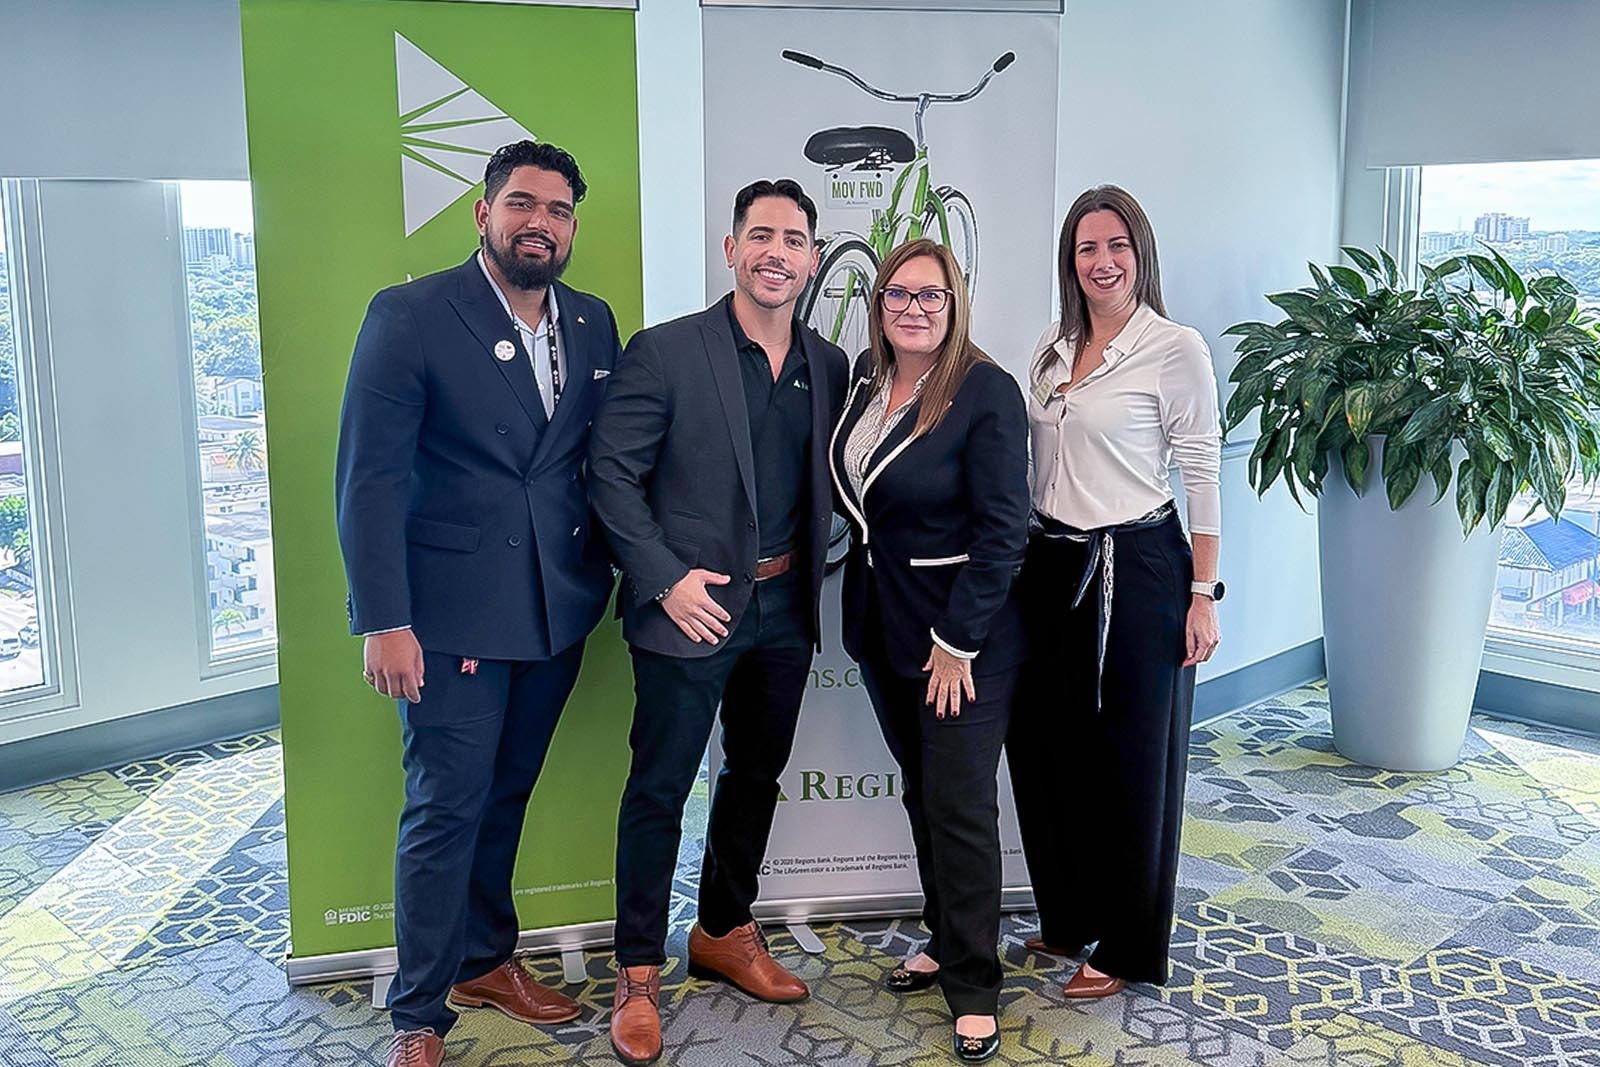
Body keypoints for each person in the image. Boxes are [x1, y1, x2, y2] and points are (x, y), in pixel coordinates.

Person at [335, 141, 621, 1067]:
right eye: (522, 204)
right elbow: (370, 480)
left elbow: (597, 462)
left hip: (556, 608)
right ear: (483, 213)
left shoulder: (593, 321)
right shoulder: (412, 314)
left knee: (506, 795)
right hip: (449, 617)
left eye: (559, 210)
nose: (541, 223)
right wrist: (385, 619)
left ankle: (485, 960)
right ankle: (418, 1015)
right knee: (444, 811)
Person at [588, 178, 848, 1067]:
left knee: (754, 775)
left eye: (794, 239)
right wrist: (664, 580)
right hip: (688, 609)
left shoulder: (829, 364)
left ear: (812, 259)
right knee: (659, 787)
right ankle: (637, 971)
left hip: (785, 608)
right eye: (761, 235)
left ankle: (724, 927)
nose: (777, 252)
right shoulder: (665, 352)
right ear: (732, 248)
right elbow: (609, 476)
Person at [1008, 184, 1223, 1000]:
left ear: (1141, 253)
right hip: (1050, 562)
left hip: (1139, 565)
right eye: (1087, 248)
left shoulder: (1174, 347)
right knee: (1046, 745)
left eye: (1116, 246)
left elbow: (1202, 474)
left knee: (1135, 758)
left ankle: (1129, 942)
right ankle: (1068, 915)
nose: (1102, 262)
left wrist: (1204, 592)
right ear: (1070, 261)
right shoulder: (1052, 346)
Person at [829, 239, 1028, 1063]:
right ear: (879, 304)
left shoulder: (985, 390)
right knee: (923, 792)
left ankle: (975, 987)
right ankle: (947, 939)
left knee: (960, 804)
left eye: (931, 295)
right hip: (882, 625)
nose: (913, 308)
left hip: (961, 641)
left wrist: (956, 641)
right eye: (898, 294)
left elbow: (1004, 530)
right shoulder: (865, 380)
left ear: (955, 305)